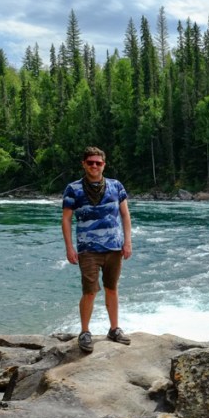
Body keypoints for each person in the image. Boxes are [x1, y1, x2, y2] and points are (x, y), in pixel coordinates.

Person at [61, 146, 133, 353]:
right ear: (84, 164)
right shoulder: (73, 189)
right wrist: (69, 247)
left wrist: (127, 242)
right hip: (88, 250)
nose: (94, 166)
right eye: (90, 162)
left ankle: (114, 329)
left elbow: (125, 215)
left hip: (114, 247)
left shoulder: (116, 186)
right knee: (90, 291)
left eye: (98, 163)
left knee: (112, 288)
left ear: (104, 165)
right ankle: (84, 332)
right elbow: (66, 219)